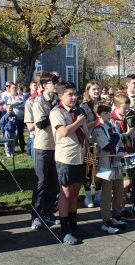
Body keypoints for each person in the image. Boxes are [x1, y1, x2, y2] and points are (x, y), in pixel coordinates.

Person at [49, 81, 87, 245]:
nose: (73, 97)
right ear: (60, 96)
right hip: (66, 157)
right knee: (65, 193)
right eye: (69, 94)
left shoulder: (78, 111)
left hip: (79, 156)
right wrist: (78, 122)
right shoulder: (57, 112)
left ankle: (73, 223)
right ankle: (64, 230)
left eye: (75, 94)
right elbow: (63, 132)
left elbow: (85, 132)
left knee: (75, 190)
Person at [30, 72, 59, 230]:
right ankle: (36, 215)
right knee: (41, 182)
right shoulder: (39, 102)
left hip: (57, 146)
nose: (55, 84)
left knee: (54, 181)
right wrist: (56, 113)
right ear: (43, 86)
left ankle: (48, 212)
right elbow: (40, 124)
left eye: (56, 82)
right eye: (52, 82)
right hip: (43, 146)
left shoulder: (57, 101)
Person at [92, 104, 127, 234]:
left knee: (119, 189)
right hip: (105, 163)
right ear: (99, 115)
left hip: (117, 162)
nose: (108, 115)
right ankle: (106, 220)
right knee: (107, 193)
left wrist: (122, 149)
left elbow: (120, 144)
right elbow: (106, 146)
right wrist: (117, 137)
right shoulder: (98, 129)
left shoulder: (113, 127)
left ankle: (117, 215)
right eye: (105, 113)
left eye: (108, 113)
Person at [110, 93, 135, 221]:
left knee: (126, 184)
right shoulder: (112, 119)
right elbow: (113, 139)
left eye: (128, 108)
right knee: (124, 183)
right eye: (124, 108)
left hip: (127, 152)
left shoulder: (125, 118)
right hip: (117, 155)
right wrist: (127, 133)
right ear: (116, 106)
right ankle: (118, 209)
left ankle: (120, 209)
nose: (127, 110)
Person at [80, 82, 100, 208]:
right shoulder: (83, 106)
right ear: (88, 91)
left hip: (102, 140)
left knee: (100, 168)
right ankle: (88, 196)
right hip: (89, 141)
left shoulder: (101, 103)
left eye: (98, 89)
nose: (96, 91)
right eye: (94, 89)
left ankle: (98, 194)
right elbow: (82, 126)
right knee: (89, 168)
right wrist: (96, 122)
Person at [7, 83, 26, 153]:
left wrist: (16, 105)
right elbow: (9, 106)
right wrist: (18, 104)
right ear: (10, 89)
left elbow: (23, 105)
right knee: (12, 134)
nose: (14, 89)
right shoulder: (9, 97)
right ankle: (12, 149)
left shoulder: (21, 96)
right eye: (12, 88)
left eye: (15, 87)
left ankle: (22, 149)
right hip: (13, 118)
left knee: (21, 134)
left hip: (21, 118)